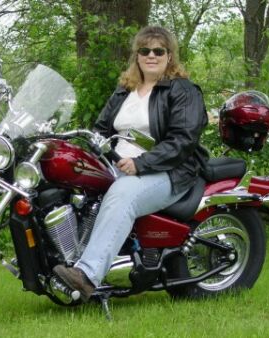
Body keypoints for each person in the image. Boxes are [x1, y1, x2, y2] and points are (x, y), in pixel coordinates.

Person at [53, 26, 209, 302]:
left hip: (168, 171)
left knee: (122, 195)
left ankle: (87, 276)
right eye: (144, 50)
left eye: (158, 50)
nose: (151, 55)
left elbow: (184, 139)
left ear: (169, 56)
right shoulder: (125, 89)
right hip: (117, 165)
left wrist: (141, 163)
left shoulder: (183, 90)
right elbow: (100, 129)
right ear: (136, 56)